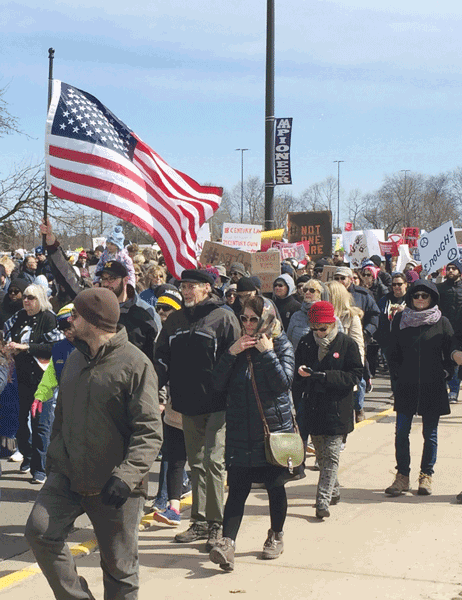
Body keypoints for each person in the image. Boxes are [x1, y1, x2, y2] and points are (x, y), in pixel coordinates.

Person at [25, 288, 163, 600]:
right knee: (39, 532)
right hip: (68, 475)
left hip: (115, 486)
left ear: (95, 321)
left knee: (120, 571)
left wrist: (126, 476)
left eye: (75, 315)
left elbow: (150, 431)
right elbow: (61, 417)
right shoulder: (74, 359)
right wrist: (55, 461)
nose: (69, 320)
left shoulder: (135, 364)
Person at [155, 269, 241, 552]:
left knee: (214, 463)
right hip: (186, 404)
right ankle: (200, 521)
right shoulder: (176, 320)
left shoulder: (224, 316)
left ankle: (217, 525)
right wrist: (156, 390)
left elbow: (236, 359)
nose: (186, 290)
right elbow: (162, 358)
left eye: (192, 286)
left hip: (218, 403)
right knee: (197, 464)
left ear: (207, 288)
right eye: (183, 286)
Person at [209, 296, 295, 571]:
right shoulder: (236, 346)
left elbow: (282, 385)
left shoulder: (281, 344)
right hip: (239, 429)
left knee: (274, 486)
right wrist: (230, 354)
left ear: (267, 318)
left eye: (253, 319)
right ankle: (227, 544)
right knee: (237, 490)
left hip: (272, 432)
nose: (247, 324)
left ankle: (276, 535)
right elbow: (216, 384)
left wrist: (267, 353)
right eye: (243, 318)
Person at [293, 301, 363, 518]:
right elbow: (296, 374)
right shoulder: (306, 343)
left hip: (337, 407)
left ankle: (322, 500)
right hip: (313, 407)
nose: (319, 333)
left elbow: (355, 374)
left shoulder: (346, 344)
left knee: (332, 455)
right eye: (314, 329)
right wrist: (302, 376)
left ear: (332, 324)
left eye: (323, 328)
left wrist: (326, 377)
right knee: (321, 455)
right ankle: (333, 489)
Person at [385, 281, 454, 497]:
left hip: (433, 386)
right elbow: (392, 351)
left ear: (432, 298)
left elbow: (451, 351)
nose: (421, 299)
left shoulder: (442, 322)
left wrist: (445, 373)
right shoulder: (401, 319)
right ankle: (402, 476)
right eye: (416, 295)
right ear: (411, 298)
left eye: (425, 295)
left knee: (430, 434)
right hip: (406, 385)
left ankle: (426, 475)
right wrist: (396, 375)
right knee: (401, 432)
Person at [3, 284, 64, 483]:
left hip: (43, 378)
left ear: (40, 299)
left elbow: (54, 346)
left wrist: (26, 347)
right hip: (21, 376)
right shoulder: (19, 316)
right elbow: (7, 333)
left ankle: (40, 468)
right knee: (21, 422)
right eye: (25, 297)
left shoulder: (49, 318)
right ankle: (28, 458)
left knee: (41, 424)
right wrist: (9, 349)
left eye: (31, 297)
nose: (26, 300)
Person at [150, 289, 190, 526]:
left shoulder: (182, 331)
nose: (163, 313)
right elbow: (159, 367)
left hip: (194, 405)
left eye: (168, 309)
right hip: (171, 402)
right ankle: (170, 505)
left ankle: (206, 517)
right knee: (173, 455)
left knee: (198, 460)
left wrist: (162, 399)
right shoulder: (160, 333)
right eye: (160, 309)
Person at [99, 260, 161, 362]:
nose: (106, 284)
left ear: (125, 280)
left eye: (111, 279)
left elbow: (158, 351)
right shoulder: (98, 310)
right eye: (103, 279)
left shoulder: (145, 311)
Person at [326, 280, 365, 421]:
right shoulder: (322, 316)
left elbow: (358, 344)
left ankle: (358, 408)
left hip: (344, 368)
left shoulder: (351, 317)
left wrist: (356, 370)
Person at [375, 272, 408, 396]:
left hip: (406, 340)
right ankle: (396, 391)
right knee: (393, 368)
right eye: (394, 284)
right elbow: (379, 317)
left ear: (406, 284)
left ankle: (406, 391)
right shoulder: (385, 300)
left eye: (399, 284)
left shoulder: (411, 300)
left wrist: (406, 311)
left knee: (406, 367)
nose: (396, 287)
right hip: (388, 340)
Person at [437, 260, 462, 403]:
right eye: (449, 268)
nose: (451, 271)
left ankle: (453, 390)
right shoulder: (440, 288)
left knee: (456, 360)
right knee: (445, 359)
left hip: (459, 331)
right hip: (443, 329)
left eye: (454, 268)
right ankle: (447, 389)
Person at [287, 279, 324, 351]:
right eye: (305, 290)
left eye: (312, 290)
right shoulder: (296, 316)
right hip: (299, 358)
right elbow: (288, 340)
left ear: (319, 293)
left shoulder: (327, 315)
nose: (307, 292)